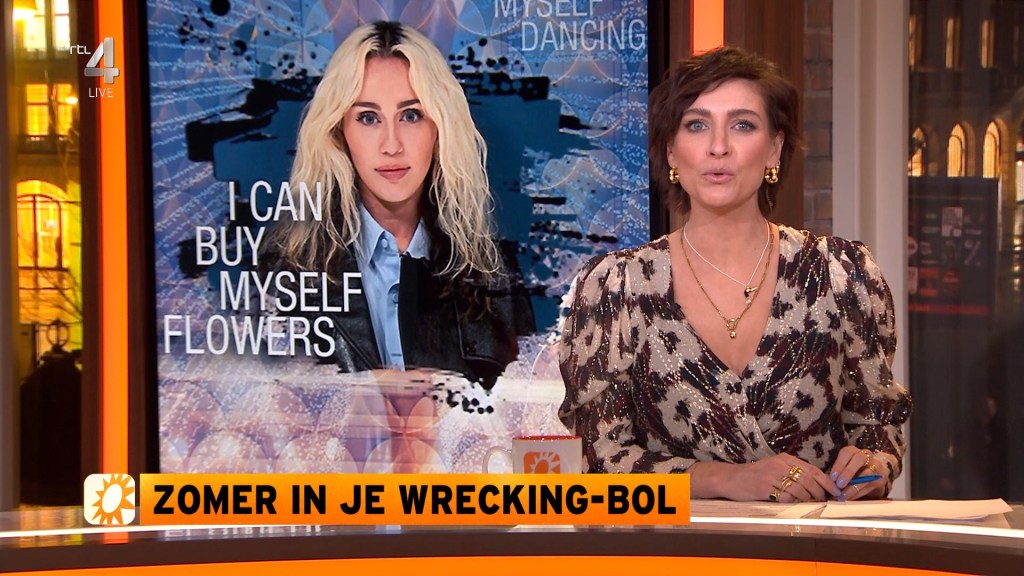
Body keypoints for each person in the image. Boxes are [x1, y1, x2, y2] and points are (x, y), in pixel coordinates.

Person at [558, 46, 912, 502]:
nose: (718, 146)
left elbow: (879, 425)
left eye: (742, 125)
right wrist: (725, 480)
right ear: (671, 150)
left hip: (814, 542)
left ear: (774, 149)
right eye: (696, 125)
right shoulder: (616, 286)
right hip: (675, 544)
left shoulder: (841, 274)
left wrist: (871, 464)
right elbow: (600, 457)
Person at [264, 21, 533, 389]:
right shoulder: (287, 269)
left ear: (439, 128)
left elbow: (523, 408)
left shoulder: (495, 275)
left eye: (411, 115)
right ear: (339, 132)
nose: (391, 145)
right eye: (368, 118)